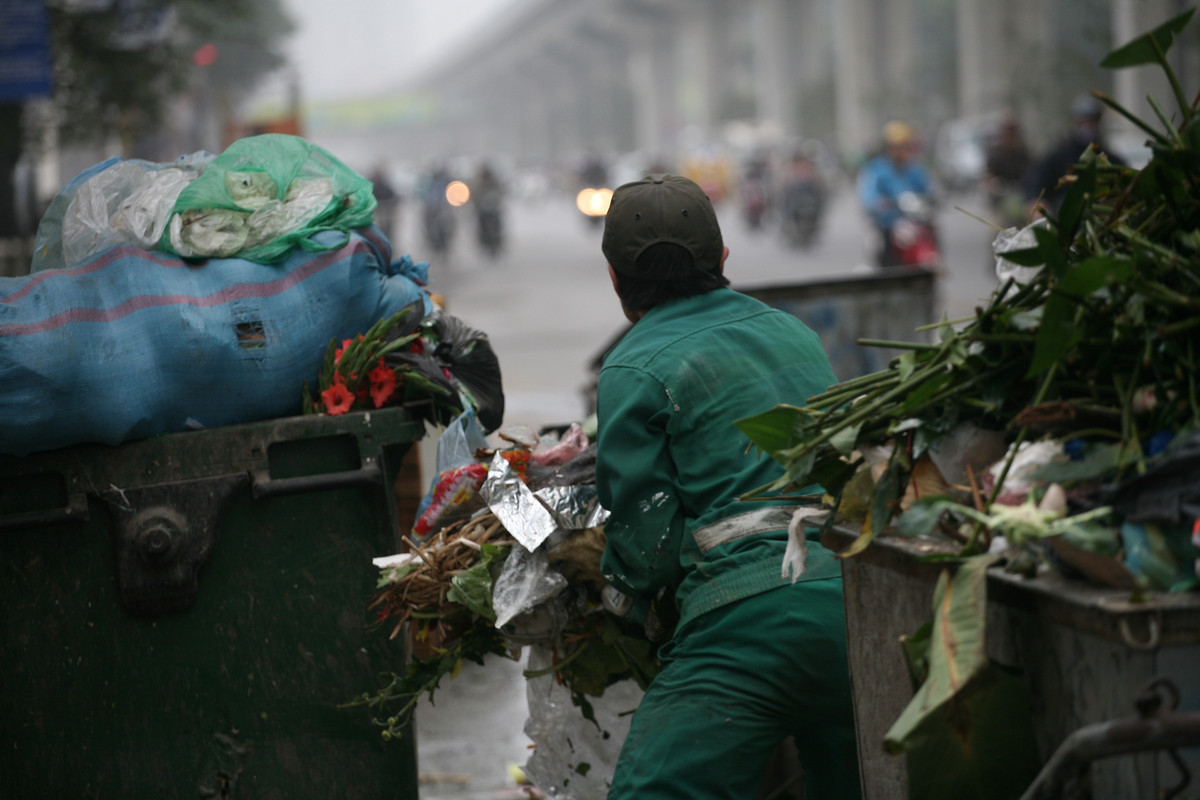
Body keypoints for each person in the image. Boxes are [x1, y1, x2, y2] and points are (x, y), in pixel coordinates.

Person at [595, 173, 862, 800]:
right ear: (723, 259)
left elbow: (647, 551)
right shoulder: (794, 332)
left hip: (751, 627)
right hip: (855, 603)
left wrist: (619, 595)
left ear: (614, 279)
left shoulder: (633, 366)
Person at [1024, 94, 1126, 216]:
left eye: (1092, 122)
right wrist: (1036, 204)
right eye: (1083, 122)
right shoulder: (1057, 158)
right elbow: (1035, 182)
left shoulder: (1111, 161)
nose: (1088, 127)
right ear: (1074, 122)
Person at [856, 121, 935, 267]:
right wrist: (879, 203)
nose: (901, 151)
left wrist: (933, 200)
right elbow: (868, 196)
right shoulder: (876, 169)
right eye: (896, 147)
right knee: (878, 249)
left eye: (905, 146)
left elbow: (929, 191)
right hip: (887, 223)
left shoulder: (916, 169)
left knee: (933, 233)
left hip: (914, 221)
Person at [982, 112, 1032, 228]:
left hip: (1022, 198)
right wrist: (994, 186)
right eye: (1008, 130)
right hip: (1002, 200)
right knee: (1002, 230)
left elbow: (1033, 173)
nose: (1011, 134)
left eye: (1013, 131)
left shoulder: (1024, 153)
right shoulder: (996, 155)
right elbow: (988, 178)